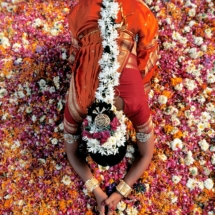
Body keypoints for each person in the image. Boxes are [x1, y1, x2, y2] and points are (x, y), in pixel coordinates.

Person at [63, 0, 159, 214]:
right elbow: (72, 153)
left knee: (144, 58)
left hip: (131, 11)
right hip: (84, 14)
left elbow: (146, 154)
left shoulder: (135, 105)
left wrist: (106, 191)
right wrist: (112, 193)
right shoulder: (77, 107)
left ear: (124, 131)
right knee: (78, 58)